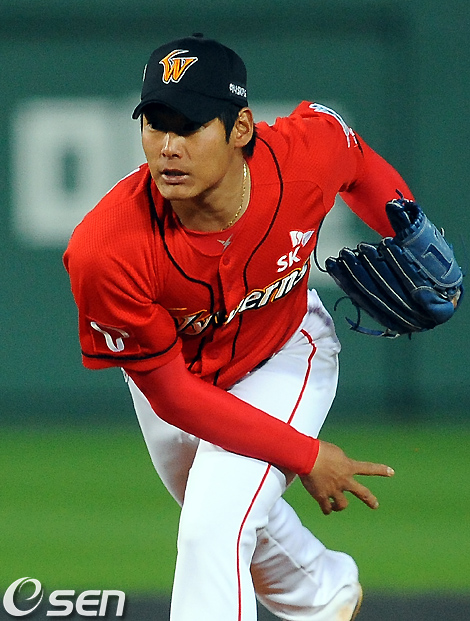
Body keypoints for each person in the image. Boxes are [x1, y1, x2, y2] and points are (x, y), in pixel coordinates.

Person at [64, 33, 410, 621]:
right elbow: (174, 396)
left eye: (190, 126)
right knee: (226, 507)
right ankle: (323, 591)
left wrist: (408, 225)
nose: (168, 146)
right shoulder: (107, 250)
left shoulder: (299, 160)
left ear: (241, 128)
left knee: (212, 527)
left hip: (285, 351)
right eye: (156, 124)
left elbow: (353, 158)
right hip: (176, 380)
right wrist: (307, 455)